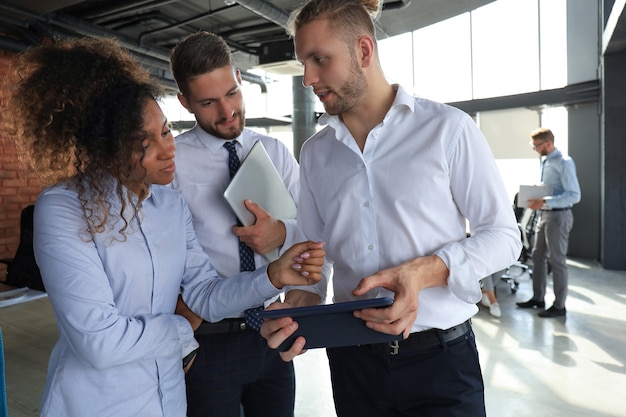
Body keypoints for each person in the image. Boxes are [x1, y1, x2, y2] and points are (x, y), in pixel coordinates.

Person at [5, 37, 325, 417]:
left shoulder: (170, 205)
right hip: (100, 401)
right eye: (146, 142)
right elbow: (98, 341)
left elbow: (204, 293)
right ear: (107, 146)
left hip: (169, 395)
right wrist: (184, 335)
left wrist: (271, 276)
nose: (168, 149)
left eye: (167, 131)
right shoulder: (64, 207)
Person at [260, 0, 522, 416]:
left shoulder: (448, 130)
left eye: (319, 60)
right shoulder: (315, 154)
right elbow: (316, 256)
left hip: (441, 362)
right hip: (353, 364)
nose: (308, 78)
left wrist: (426, 270)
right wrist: (302, 304)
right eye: (303, 63)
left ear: (364, 51)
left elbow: (506, 236)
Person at [168, 31, 327, 417]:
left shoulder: (274, 151)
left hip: (271, 330)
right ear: (185, 102)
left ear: (239, 78)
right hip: (208, 337)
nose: (226, 112)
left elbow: (313, 230)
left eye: (232, 94)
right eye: (208, 103)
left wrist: (283, 234)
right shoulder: (172, 164)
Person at [516, 127, 581, 318]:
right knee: (537, 257)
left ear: (548, 144)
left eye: (537, 145)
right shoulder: (545, 162)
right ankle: (538, 298)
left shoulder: (564, 163)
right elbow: (554, 189)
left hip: (559, 217)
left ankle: (559, 306)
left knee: (557, 261)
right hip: (544, 216)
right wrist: (541, 191)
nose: (535, 149)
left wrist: (544, 201)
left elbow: (574, 195)